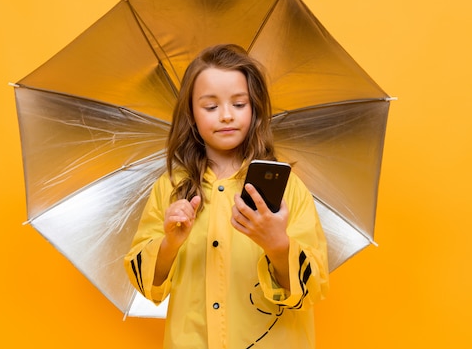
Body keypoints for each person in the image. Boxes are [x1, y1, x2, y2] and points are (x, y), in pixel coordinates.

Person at [124, 44, 329, 349]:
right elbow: (147, 284)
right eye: (210, 107)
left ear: (255, 108)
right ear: (192, 114)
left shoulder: (287, 188)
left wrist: (277, 244)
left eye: (239, 104)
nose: (226, 116)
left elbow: (311, 288)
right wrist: (170, 243)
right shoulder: (169, 188)